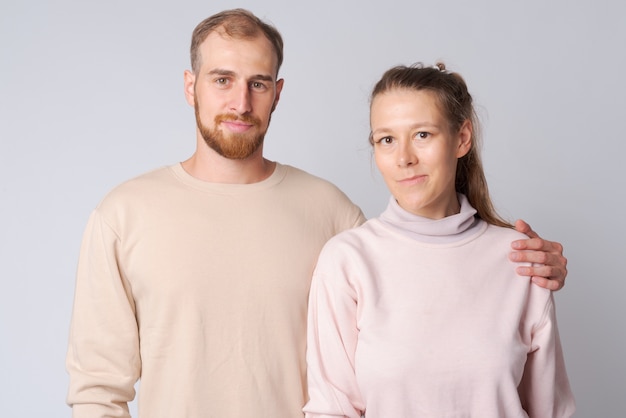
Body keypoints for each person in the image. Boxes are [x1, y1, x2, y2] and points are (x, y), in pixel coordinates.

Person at [65, 9, 569, 418]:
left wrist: (527, 265)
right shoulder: (124, 215)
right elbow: (96, 392)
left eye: (258, 83)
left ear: (277, 94)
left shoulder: (330, 212)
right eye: (222, 79)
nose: (240, 102)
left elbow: (423, 278)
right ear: (190, 86)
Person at [303, 63, 575, 417]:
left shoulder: (520, 259)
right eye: (387, 140)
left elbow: (551, 411)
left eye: (422, 135)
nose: (404, 158)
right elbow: (332, 407)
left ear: (462, 139)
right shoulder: (348, 260)